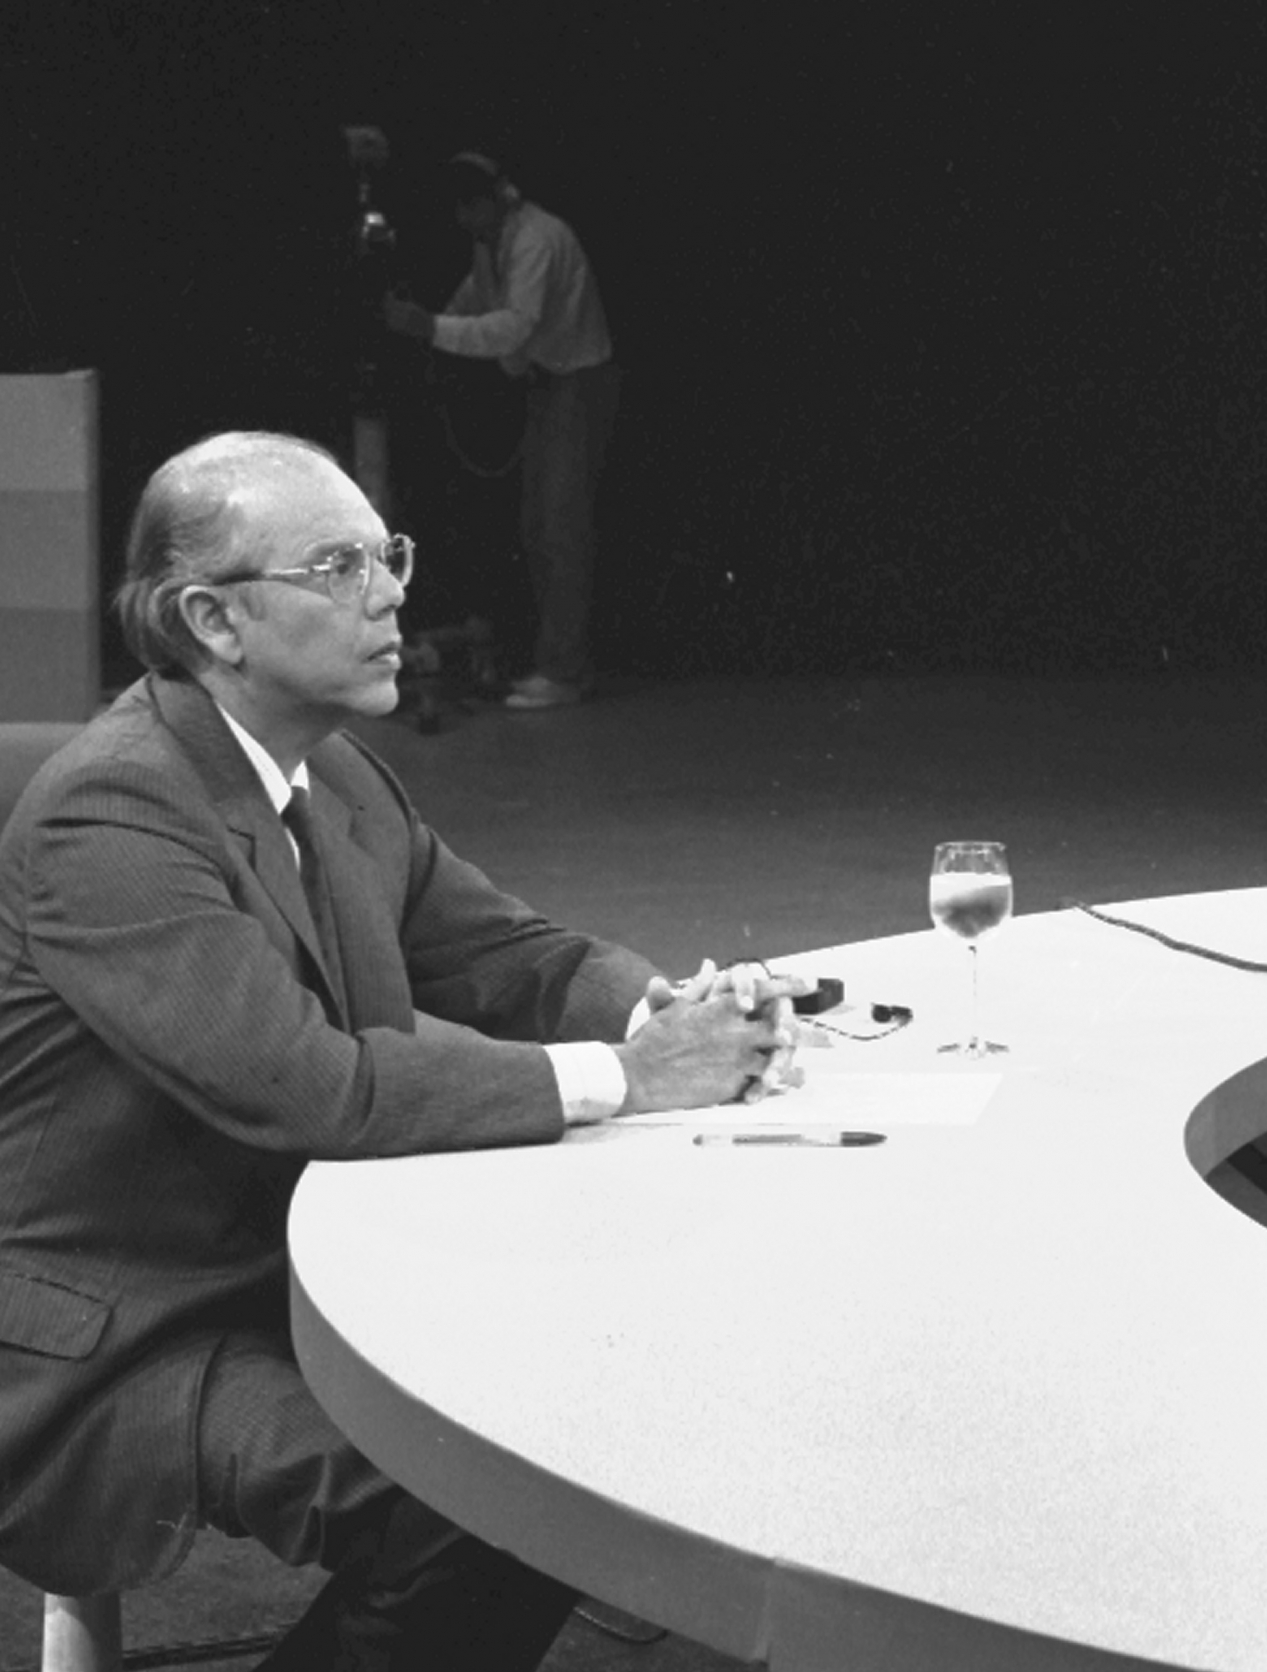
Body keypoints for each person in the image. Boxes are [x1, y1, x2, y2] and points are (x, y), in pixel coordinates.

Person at [0, 432, 801, 1669]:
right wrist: (635, 1079)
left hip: (288, 1263)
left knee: (589, 1415)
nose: (388, 595)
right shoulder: (113, 808)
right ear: (214, 619)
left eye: (389, 555)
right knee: (496, 1500)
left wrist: (669, 1015)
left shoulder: (336, 771)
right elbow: (311, 1087)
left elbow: (512, 954)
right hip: (119, 1331)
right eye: (337, 566)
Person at [382, 150, 616, 710]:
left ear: (491, 200)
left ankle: (566, 670)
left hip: (575, 383)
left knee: (560, 530)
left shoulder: (535, 240)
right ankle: (558, 661)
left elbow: (513, 327)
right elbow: (479, 297)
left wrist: (431, 328)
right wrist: (431, 321)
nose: (463, 221)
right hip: (548, 385)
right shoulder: (493, 240)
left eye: (469, 208)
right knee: (539, 527)